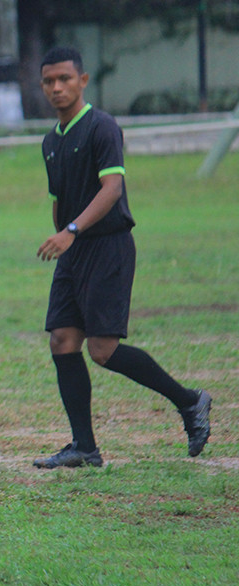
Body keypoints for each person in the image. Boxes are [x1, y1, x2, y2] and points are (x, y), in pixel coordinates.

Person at [32, 46, 212, 469]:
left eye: (64, 79)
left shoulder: (102, 127)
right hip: (73, 251)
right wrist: (64, 236)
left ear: (83, 80)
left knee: (103, 349)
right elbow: (59, 201)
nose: (56, 88)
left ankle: (190, 401)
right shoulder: (49, 142)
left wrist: (72, 231)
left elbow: (111, 188)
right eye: (48, 81)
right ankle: (84, 447)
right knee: (62, 340)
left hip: (107, 245)